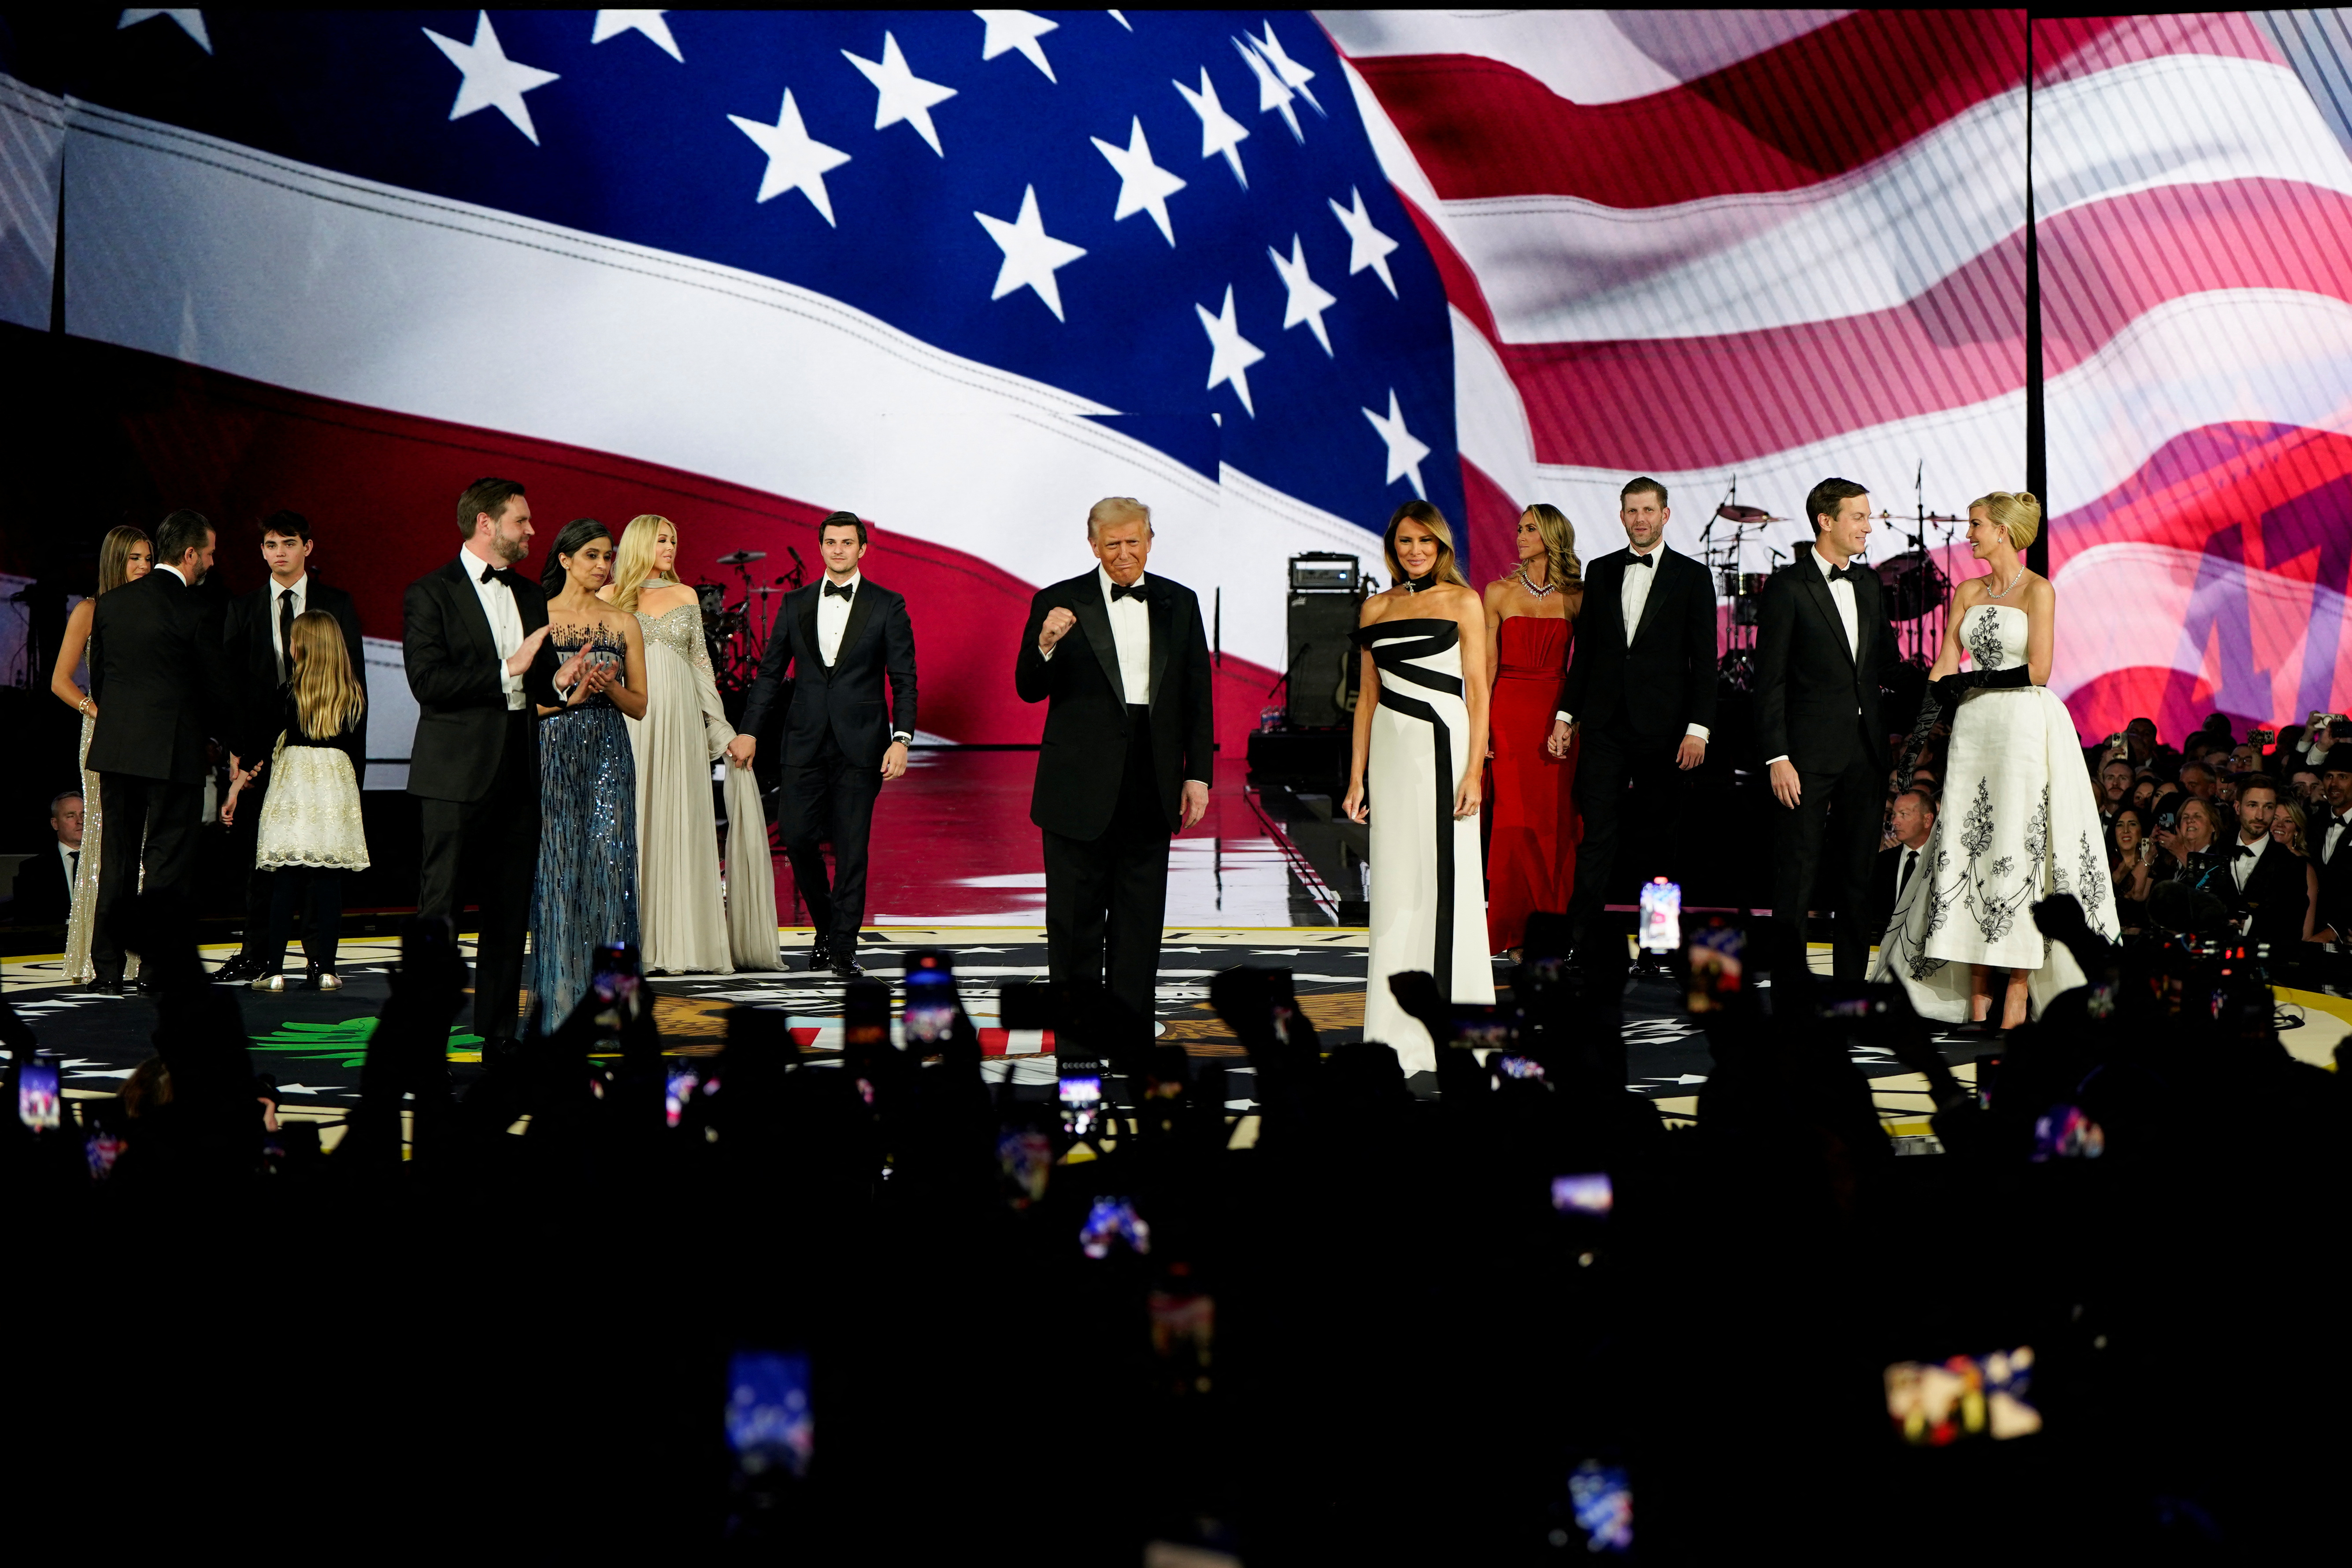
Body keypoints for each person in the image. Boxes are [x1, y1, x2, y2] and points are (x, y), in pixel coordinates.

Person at [1876, 490, 2119, 1027]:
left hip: (2021, 729)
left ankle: (2014, 996)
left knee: (2016, 847)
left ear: (2004, 532)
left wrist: (1969, 680)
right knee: (1970, 849)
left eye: (1976, 525)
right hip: (1972, 733)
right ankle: (1976, 995)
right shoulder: (1966, 590)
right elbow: (1943, 668)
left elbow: (2038, 671)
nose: (1968, 534)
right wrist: (1914, 742)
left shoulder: (2038, 590)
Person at [1014, 497, 1213, 1032]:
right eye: (1112, 544)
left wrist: (1197, 775)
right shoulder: (1058, 601)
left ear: (1150, 539)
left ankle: (1129, 1039)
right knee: (1074, 924)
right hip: (1076, 786)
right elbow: (1028, 688)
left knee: (1140, 923)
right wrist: (1045, 643)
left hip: (1153, 781)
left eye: (1133, 541)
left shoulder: (1180, 602)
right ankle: (1078, 1041)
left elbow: (1197, 695)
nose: (1124, 554)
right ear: (1093, 545)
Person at [404, 477, 564, 1049]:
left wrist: (562, 679)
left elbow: (537, 677)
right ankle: (424, 1035)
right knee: (440, 913)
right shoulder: (430, 593)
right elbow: (428, 683)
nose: (532, 530)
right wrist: (507, 670)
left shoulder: (528, 594)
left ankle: (498, 1037)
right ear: (486, 524)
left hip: (517, 775)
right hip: (452, 775)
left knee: (508, 914)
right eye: (522, 520)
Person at [1342, 501, 1493, 1077]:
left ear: (1440, 547)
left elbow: (1477, 693)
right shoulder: (1374, 607)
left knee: (1450, 884)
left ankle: (1462, 1034)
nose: (1414, 551)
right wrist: (1356, 776)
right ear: (1392, 544)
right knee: (1397, 888)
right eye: (1405, 541)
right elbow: (1366, 698)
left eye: (1424, 542)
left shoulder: (1463, 601)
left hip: (1445, 749)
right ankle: (1393, 1036)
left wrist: (1473, 770)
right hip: (1389, 754)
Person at [736, 512, 919, 979]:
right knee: (795, 836)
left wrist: (901, 738)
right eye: (830, 542)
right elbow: (771, 672)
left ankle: (841, 948)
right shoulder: (795, 603)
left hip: (862, 743)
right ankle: (826, 927)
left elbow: (903, 678)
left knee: (852, 848)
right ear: (821, 548)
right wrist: (750, 730)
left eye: (846, 543)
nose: (838, 550)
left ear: (862, 550)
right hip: (803, 738)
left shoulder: (887, 604)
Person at [1548, 477, 1717, 960]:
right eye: (1631, 511)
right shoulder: (1599, 572)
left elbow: (1704, 661)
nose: (1639, 519)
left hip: (1664, 733)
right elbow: (1585, 657)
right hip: (1603, 727)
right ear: (1621, 516)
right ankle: (1581, 943)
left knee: (1657, 842)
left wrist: (1697, 729)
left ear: (1665, 515)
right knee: (1595, 835)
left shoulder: (1691, 576)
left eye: (1648, 510)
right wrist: (1566, 716)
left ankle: (1658, 946)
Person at [603, 514, 779, 974]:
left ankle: (685, 945)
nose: (671, 546)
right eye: (662, 539)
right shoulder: (608, 597)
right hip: (632, 725)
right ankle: (631, 942)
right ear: (640, 542)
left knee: (681, 823)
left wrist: (721, 731)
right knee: (636, 827)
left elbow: (702, 669)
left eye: (674, 539)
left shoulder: (685, 596)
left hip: (681, 727)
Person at [84, 509, 246, 996]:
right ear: (191, 553)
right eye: (211, 553)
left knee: (116, 856)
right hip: (173, 751)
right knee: (166, 861)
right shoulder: (195, 609)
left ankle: (107, 968)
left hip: (116, 749)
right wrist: (235, 740)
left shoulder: (111, 606)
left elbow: (102, 680)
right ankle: (155, 969)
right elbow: (216, 689)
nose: (214, 563)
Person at [1756, 478, 1899, 981]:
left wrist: (1948, 681)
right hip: (1804, 758)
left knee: (1857, 881)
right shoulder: (1787, 588)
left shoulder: (1868, 584)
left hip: (1865, 754)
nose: (1867, 526)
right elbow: (1768, 680)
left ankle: (1847, 996)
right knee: (1796, 877)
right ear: (1826, 521)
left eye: (1867, 516)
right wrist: (1777, 756)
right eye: (1857, 517)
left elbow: (1887, 665)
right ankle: (1789, 993)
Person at [216, 512, 366, 985]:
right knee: (268, 863)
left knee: (315, 868)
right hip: (266, 759)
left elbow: (355, 684)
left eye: (288, 542)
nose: (278, 551)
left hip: (318, 762)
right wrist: (241, 758)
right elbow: (232, 688)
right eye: (269, 544)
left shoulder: (337, 604)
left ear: (308, 546)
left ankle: (317, 958)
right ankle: (260, 955)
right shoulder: (242, 609)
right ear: (261, 550)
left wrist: (354, 773)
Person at [524, 519, 648, 1024]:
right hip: (551, 753)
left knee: (611, 873)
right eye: (593, 556)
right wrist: (564, 696)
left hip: (609, 755)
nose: (603, 567)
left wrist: (606, 688)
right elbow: (518, 706)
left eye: (608, 557)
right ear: (565, 559)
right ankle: (558, 1010)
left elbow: (639, 706)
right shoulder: (537, 618)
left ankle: (613, 1011)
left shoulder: (623, 623)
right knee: (557, 875)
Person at [48, 526, 153, 982]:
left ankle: (140, 955)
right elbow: (61, 680)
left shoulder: (153, 609)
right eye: (134, 558)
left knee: (144, 841)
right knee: (106, 839)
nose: (144, 566)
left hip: (147, 735)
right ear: (115, 560)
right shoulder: (91, 610)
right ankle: (100, 955)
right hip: (103, 735)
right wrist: (97, 710)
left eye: (148, 558)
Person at [1483, 502, 1583, 958]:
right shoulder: (1496, 593)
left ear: (1549, 535)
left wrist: (1572, 717)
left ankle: (1550, 930)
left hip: (1557, 717)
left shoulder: (1577, 596)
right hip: (1507, 713)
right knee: (1511, 821)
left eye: (1528, 529)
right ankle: (1512, 930)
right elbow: (1484, 664)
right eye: (1519, 529)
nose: (1519, 536)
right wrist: (1480, 725)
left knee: (1554, 823)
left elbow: (1586, 667)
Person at [2227, 776, 2311, 950]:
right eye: (2253, 805)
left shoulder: (2292, 865)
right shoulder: (2217, 851)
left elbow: (2292, 927)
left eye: (2268, 807)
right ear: (2237, 807)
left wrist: (2246, 924)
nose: (2260, 815)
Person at [1871, 785, 1935, 937]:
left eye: (1903, 814)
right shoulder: (1881, 862)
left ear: (1927, 820)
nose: (1895, 821)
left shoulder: (1944, 864)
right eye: (1894, 814)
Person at [11, 792, 82, 925]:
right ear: (55, 824)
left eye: (84, 815)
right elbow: (28, 918)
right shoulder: (33, 869)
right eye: (71, 816)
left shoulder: (108, 863)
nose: (80, 821)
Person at [2310, 758, 2352, 945]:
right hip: (2310, 931)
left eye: (2342, 777)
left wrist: (2336, 931)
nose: (2334, 784)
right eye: (2329, 777)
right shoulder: (2313, 823)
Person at [2108, 806, 2157, 934]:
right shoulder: (2104, 863)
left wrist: (2148, 857)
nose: (2126, 831)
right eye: (2120, 825)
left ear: (2142, 830)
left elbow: (2137, 894)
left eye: (2132, 824)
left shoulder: (2154, 863)